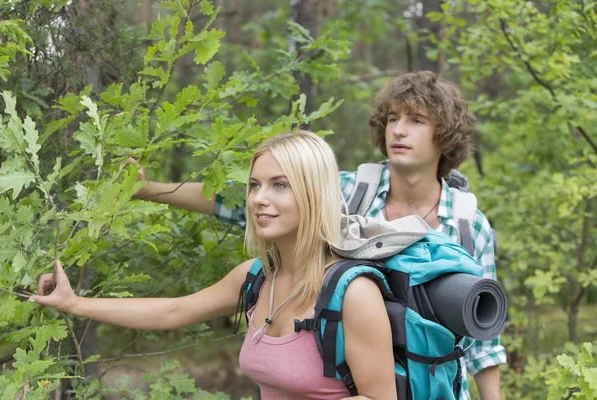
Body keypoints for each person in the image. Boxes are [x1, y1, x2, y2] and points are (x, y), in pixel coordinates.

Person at [128, 71, 507, 399]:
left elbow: (483, 339)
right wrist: (150, 189)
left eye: (417, 120)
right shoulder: (346, 193)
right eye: (392, 118)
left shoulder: (467, 224)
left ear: (445, 134)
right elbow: (231, 201)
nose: (399, 129)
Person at [30, 131, 397, 400]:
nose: (258, 199)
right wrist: (73, 303)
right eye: (254, 185)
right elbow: (173, 311)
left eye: (279, 185)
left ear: (314, 192)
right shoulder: (256, 276)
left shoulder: (354, 293)